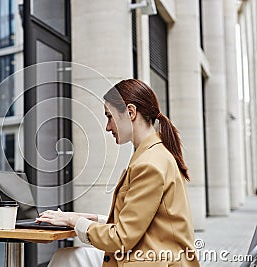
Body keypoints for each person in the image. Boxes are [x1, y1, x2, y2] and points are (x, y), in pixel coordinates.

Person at [36, 79, 200, 267]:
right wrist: (88, 218)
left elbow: (122, 238)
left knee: (68, 259)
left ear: (130, 112)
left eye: (109, 116)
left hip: (155, 261)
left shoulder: (149, 164)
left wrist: (74, 221)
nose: (107, 127)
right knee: (67, 257)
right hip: (151, 255)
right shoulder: (152, 154)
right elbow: (140, 223)